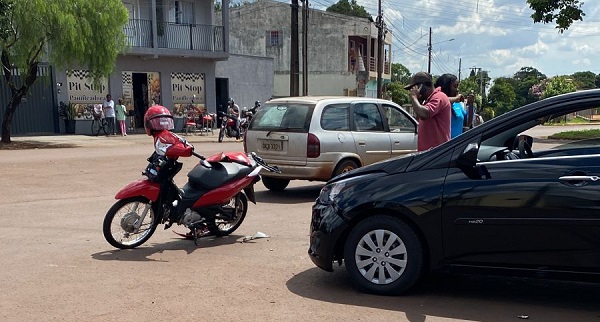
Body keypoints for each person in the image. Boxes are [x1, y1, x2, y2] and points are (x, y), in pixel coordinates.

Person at [404, 71, 451, 151]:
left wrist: (414, 98)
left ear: (422, 86)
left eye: (415, 88)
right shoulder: (427, 101)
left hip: (437, 154)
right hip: (428, 155)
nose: (412, 91)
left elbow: (424, 114)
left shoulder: (438, 97)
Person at [435, 74, 466, 138]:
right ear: (446, 87)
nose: (457, 90)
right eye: (455, 86)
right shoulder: (437, 101)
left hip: (457, 144)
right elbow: (442, 100)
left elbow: (467, 123)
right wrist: (456, 98)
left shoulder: (457, 104)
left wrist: (470, 105)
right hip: (444, 145)